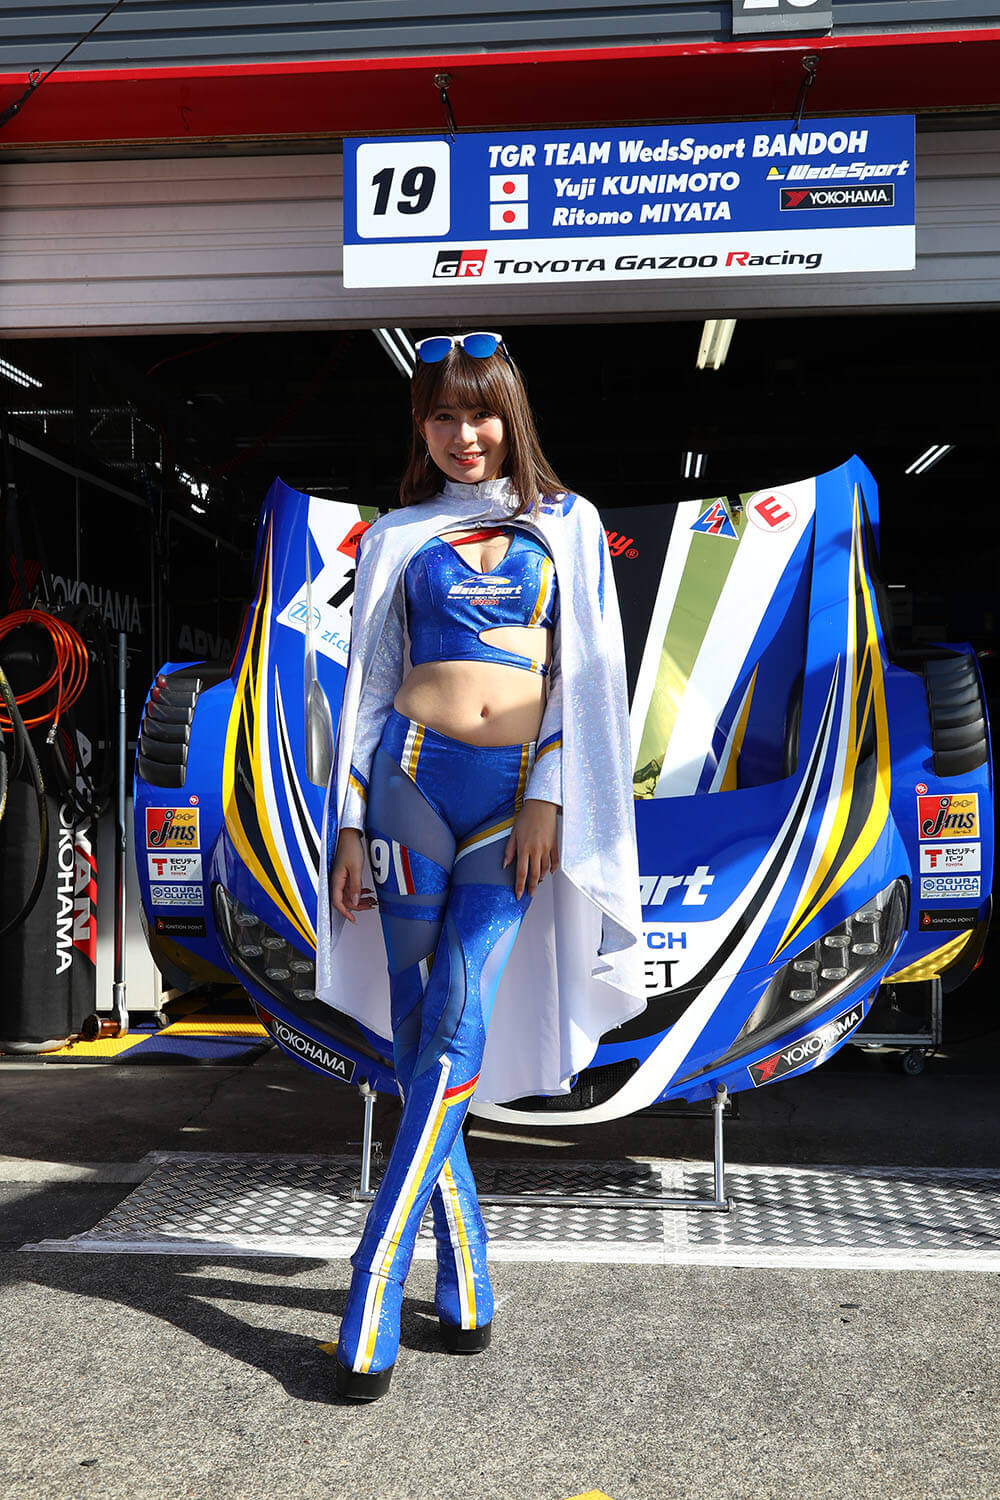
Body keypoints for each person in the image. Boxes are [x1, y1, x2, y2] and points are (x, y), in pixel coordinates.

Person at [316, 330, 645, 1400]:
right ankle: (466, 1270)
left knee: (456, 1024)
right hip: (405, 786)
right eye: (444, 416)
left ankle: (373, 1273)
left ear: (514, 416)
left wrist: (549, 792)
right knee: (423, 1040)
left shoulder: (569, 523)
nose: (466, 435)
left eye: (482, 412)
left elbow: (583, 673)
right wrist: (349, 826)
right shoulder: (396, 536)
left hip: (513, 805)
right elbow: (369, 687)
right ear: (419, 426)